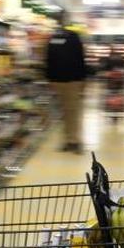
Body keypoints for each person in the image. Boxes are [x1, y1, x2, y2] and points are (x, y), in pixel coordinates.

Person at [44, 11, 88, 153]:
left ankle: (74, 141)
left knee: (70, 112)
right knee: (68, 111)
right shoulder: (69, 37)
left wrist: (82, 79)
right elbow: (49, 60)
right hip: (67, 80)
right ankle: (69, 141)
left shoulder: (59, 38)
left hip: (68, 80)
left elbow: (80, 59)